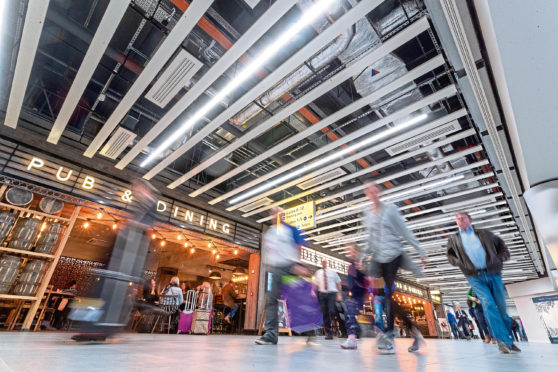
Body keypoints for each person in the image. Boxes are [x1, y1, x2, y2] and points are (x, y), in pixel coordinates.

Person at [361, 183, 428, 353]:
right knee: (384, 296)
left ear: (379, 192)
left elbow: (405, 232)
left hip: (393, 256)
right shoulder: (367, 214)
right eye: (369, 191)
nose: (372, 193)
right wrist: (362, 256)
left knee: (389, 296)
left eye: (375, 190)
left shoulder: (390, 210)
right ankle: (411, 332)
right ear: (366, 194)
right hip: (377, 259)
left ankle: (391, 334)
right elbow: (370, 239)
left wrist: (421, 251)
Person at [446, 211, 521, 354]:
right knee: (488, 304)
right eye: (457, 219)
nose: (460, 220)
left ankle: (507, 340)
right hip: (474, 277)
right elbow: (450, 255)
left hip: (493, 274)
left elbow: (502, 247)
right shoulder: (454, 239)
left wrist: (499, 259)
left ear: (470, 219)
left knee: (502, 309)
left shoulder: (485, 234)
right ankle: (503, 341)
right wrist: (459, 262)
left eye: (463, 218)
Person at [255, 207, 308, 345]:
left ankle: (309, 330)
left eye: (278, 213)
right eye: (273, 213)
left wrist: (298, 264)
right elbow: (268, 252)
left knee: (297, 300)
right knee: (271, 301)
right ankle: (271, 334)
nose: (275, 215)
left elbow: (299, 246)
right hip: (274, 269)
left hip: (290, 268)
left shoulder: (291, 230)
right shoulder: (270, 233)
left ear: (283, 215)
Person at [340, 246, 368, 349]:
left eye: (351, 250)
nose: (349, 252)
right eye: (348, 250)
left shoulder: (359, 263)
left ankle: (352, 339)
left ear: (356, 251)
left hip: (358, 295)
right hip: (353, 295)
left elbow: (364, 280)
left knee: (351, 315)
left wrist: (361, 269)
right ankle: (352, 338)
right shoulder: (351, 265)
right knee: (350, 315)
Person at [314, 259, 342, 340]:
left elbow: (338, 282)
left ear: (327, 263)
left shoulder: (333, 272)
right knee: (325, 313)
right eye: (322, 262)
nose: (323, 263)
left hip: (332, 293)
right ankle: (329, 334)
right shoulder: (318, 273)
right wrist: (313, 291)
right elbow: (315, 284)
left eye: (325, 261)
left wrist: (339, 293)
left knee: (332, 311)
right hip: (322, 294)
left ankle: (336, 326)